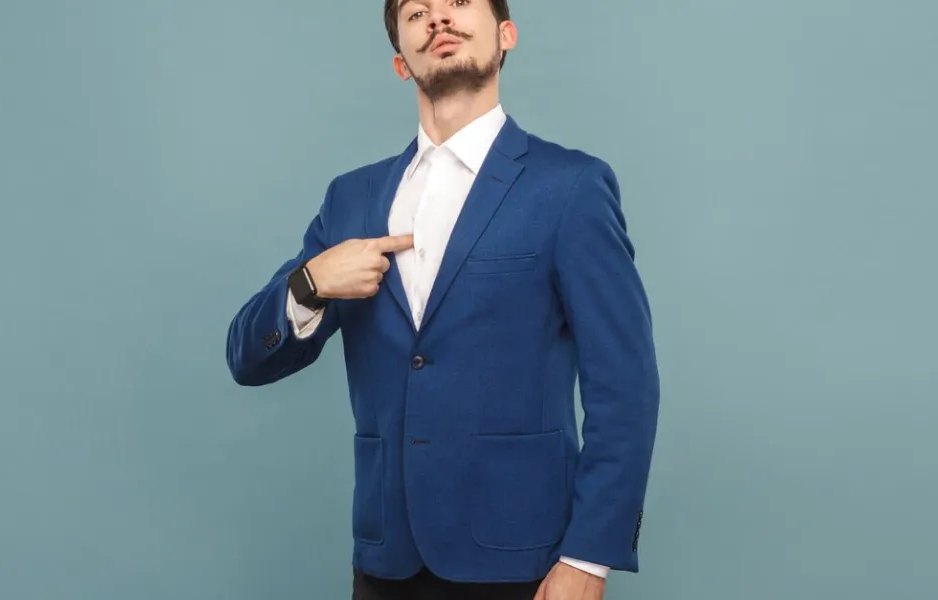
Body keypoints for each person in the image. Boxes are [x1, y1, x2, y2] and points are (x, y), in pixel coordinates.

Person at [225, 0, 661, 598]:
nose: (439, 19)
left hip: (524, 558)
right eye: (418, 12)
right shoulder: (351, 198)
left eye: (459, 3)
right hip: (386, 561)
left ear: (505, 33)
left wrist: (589, 556)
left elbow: (625, 386)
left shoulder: (571, 187)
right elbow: (249, 359)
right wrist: (311, 283)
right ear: (401, 62)